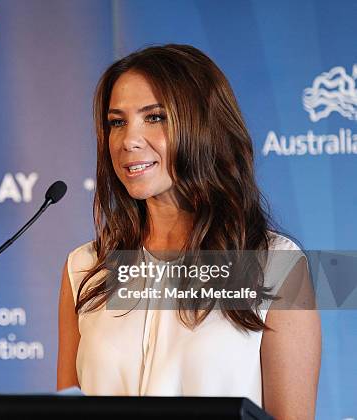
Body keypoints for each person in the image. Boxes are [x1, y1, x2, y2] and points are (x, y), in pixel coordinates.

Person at [56, 44, 321, 420]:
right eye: (117, 122)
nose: (128, 140)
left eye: (155, 117)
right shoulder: (85, 267)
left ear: (205, 127)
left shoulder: (275, 265)